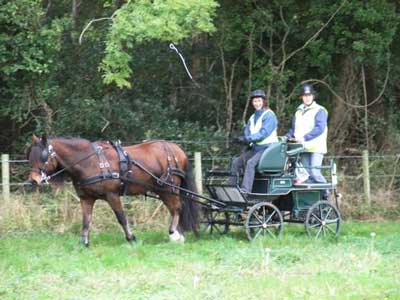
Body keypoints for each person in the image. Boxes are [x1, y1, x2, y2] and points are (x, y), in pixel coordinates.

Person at [229, 89, 278, 193]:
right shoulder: (252, 117)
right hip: (256, 149)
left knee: (251, 163)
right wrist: (241, 139)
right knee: (236, 162)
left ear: (264, 101)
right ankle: (231, 189)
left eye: (259, 101)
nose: (257, 103)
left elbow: (263, 133)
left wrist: (247, 138)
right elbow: (247, 132)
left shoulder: (270, 115)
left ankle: (245, 191)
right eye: (255, 101)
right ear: (252, 102)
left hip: (268, 149)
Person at [285, 84, 329, 199]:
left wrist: (305, 137)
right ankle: (313, 200)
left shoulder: (320, 110)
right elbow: (293, 129)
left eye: (309, 95)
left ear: (313, 96)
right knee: (306, 175)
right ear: (301, 97)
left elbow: (319, 128)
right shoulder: (298, 111)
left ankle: (326, 194)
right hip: (302, 147)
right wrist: (286, 137)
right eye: (305, 95)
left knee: (315, 172)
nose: (307, 98)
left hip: (316, 147)